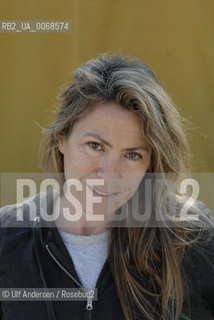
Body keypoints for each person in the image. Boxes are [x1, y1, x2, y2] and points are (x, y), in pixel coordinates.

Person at [0, 53, 214, 320]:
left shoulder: (187, 236)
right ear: (62, 139)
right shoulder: (7, 238)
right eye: (95, 146)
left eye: (132, 155)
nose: (109, 174)